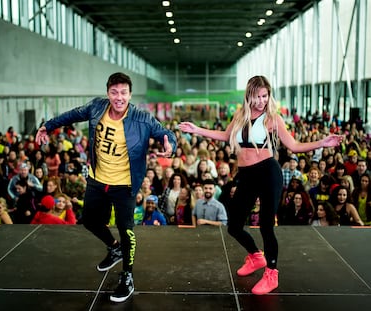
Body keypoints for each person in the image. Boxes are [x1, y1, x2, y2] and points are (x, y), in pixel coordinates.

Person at [179, 75, 343, 295]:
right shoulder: (240, 115)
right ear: (249, 95)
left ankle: (272, 273)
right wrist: (197, 130)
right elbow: (226, 135)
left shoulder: (272, 118)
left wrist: (322, 142)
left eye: (265, 96)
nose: (261, 101)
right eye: (257, 96)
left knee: (266, 225)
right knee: (234, 226)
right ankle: (256, 257)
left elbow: (293, 145)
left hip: (268, 172)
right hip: (246, 174)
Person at [35, 72, 176, 303]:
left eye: (123, 93)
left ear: (130, 94)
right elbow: (71, 115)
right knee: (90, 221)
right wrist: (47, 126)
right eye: (114, 92)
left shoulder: (142, 118)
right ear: (107, 93)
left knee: (125, 227)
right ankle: (114, 248)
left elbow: (165, 133)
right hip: (97, 179)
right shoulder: (97, 107)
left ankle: (127, 276)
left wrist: (170, 143)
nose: (119, 97)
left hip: (125, 184)